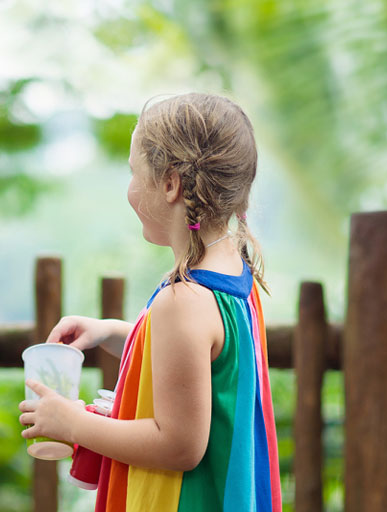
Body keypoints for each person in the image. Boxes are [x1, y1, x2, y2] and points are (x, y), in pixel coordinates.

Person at [18, 93, 281, 511]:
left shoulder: (184, 300)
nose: (130, 188)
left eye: (133, 173)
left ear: (171, 183)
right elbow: (200, 366)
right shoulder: (232, 270)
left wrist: (72, 422)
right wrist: (114, 332)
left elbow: (178, 445)